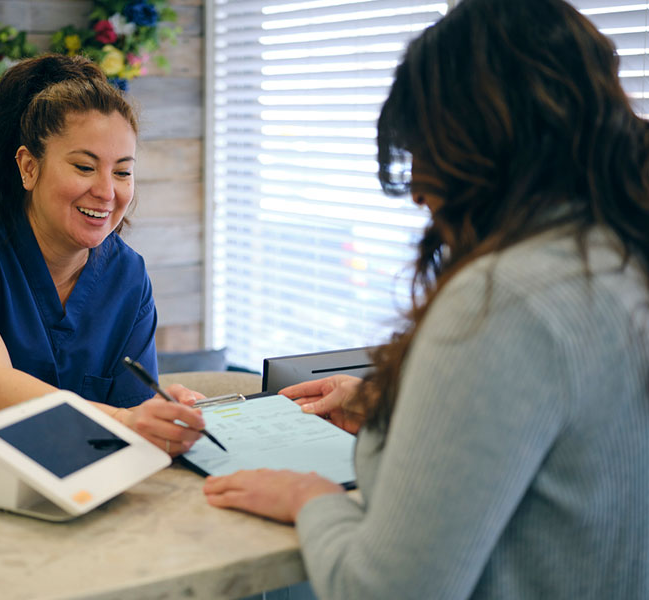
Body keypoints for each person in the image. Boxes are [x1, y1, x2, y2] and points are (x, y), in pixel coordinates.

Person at [203, 0, 649, 597]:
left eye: (424, 152)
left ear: (480, 145)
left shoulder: (502, 300)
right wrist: (399, 410)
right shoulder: (618, 257)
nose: (416, 191)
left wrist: (308, 497)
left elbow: (387, 590)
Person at [0, 53, 204, 455]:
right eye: (84, 166)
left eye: (122, 172)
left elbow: (132, 417)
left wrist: (162, 418)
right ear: (29, 167)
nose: (107, 192)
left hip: (60, 491)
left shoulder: (127, 276)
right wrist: (123, 421)